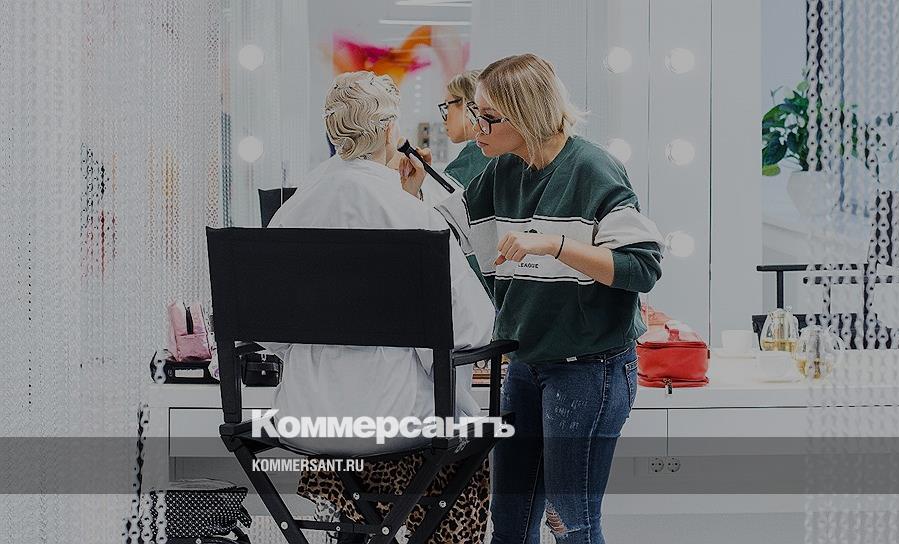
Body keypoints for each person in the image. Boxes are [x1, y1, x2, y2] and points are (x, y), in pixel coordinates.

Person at [399, 54, 664, 544]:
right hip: (525, 365)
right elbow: (447, 239)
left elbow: (641, 267)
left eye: (487, 117)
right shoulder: (502, 172)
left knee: (571, 523)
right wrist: (413, 194)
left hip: (590, 368)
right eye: (474, 113)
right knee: (510, 525)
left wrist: (555, 245)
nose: (476, 127)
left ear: (526, 115)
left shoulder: (593, 169)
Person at [266, 70, 494, 544]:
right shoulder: (414, 217)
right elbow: (471, 329)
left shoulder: (290, 214)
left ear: (332, 132)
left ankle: (356, 527)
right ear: (391, 131)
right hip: (394, 421)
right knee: (464, 438)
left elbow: (267, 333)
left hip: (305, 419)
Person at [438, 69, 491, 285]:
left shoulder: (477, 155)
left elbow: (439, 210)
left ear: (469, 105)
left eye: (447, 107)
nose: (444, 119)